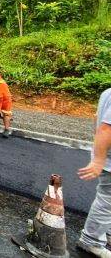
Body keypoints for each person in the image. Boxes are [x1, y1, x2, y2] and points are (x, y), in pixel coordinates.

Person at [77, 88, 111, 257]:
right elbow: (106, 129)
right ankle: (91, 241)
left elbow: (97, 120)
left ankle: (106, 230)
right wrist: (99, 160)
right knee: (107, 200)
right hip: (109, 159)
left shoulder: (108, 92)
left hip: (105, 154)